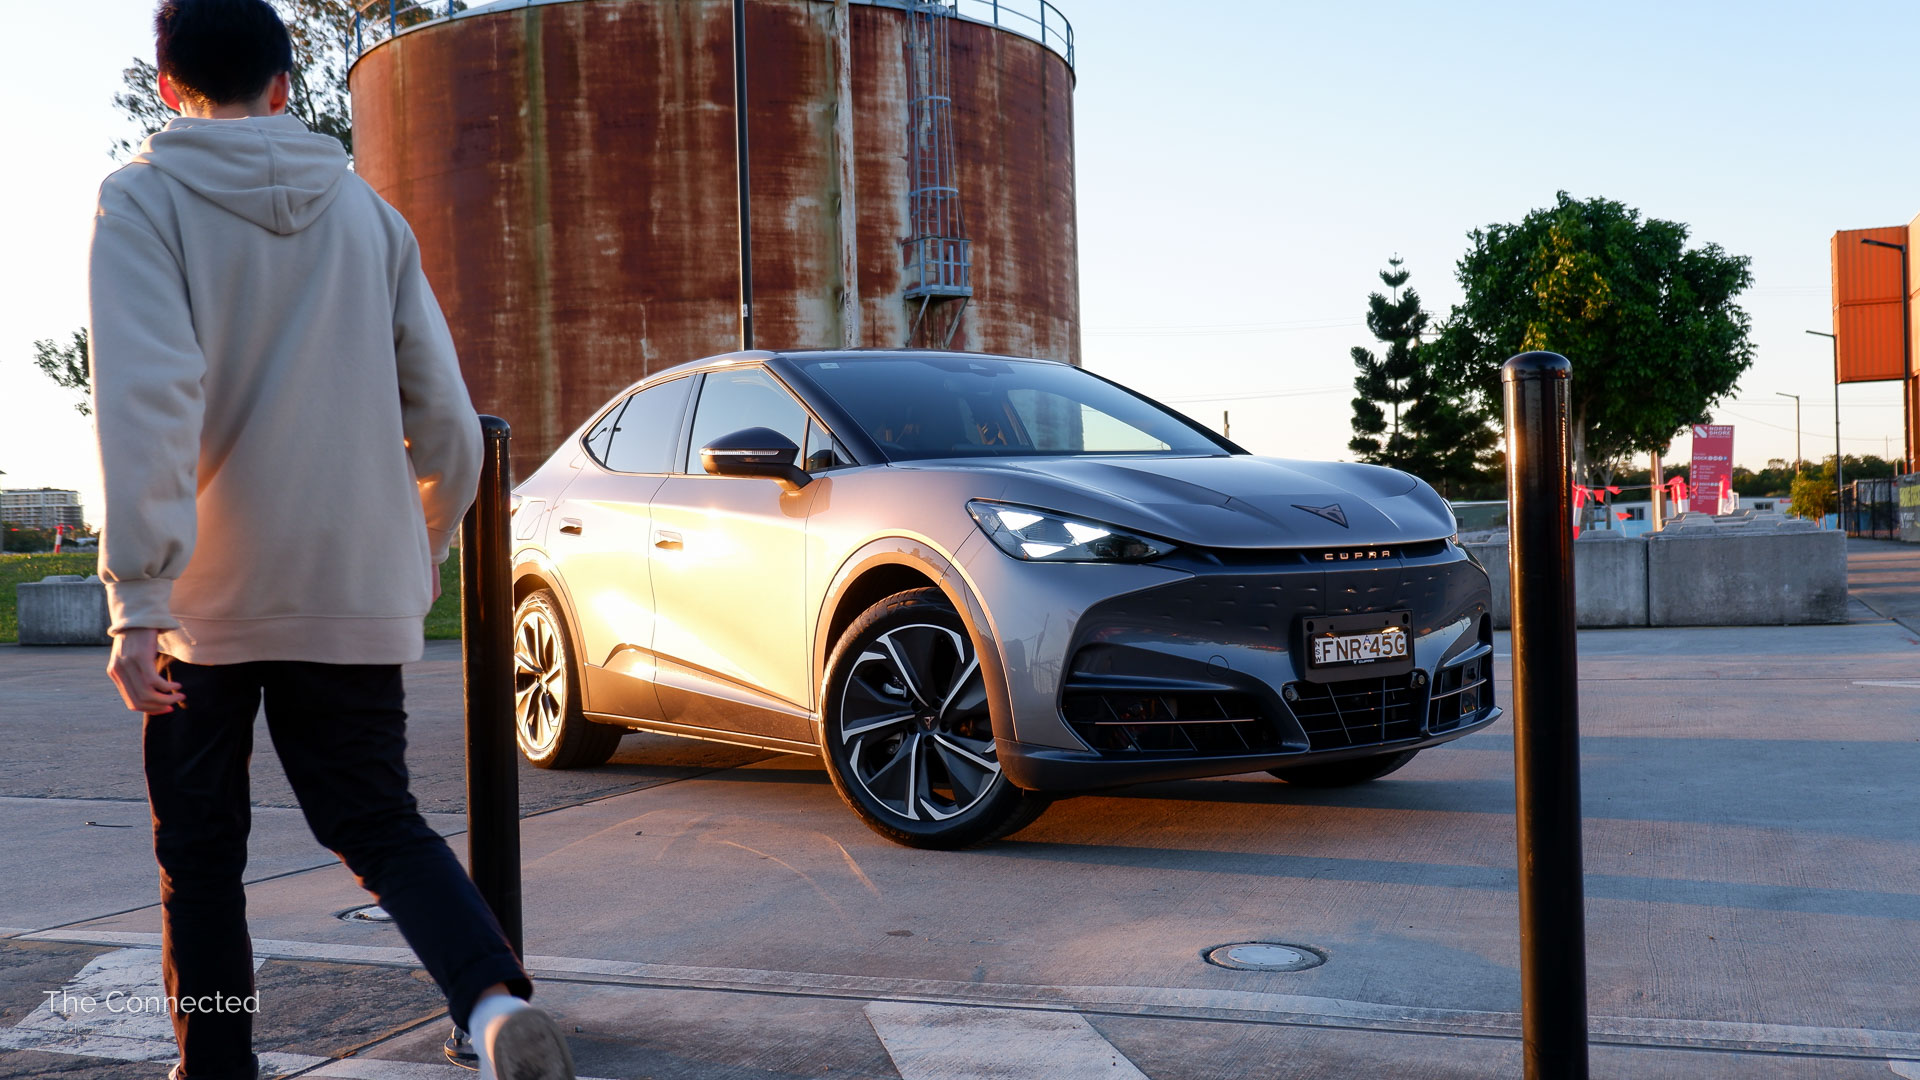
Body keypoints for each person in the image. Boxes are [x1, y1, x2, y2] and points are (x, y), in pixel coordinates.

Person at [89, 2, 575, 1078]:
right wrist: (417, 549)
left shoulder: (143, 199)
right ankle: (490, 1004)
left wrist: (141, 598)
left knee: (202, 852)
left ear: (169, 88)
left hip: (203, 609)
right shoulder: (369, 216)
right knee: (381, 825)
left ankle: (216, 1061)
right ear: (282, 84)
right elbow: (448, 421)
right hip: (351, 587)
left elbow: (147, 401)